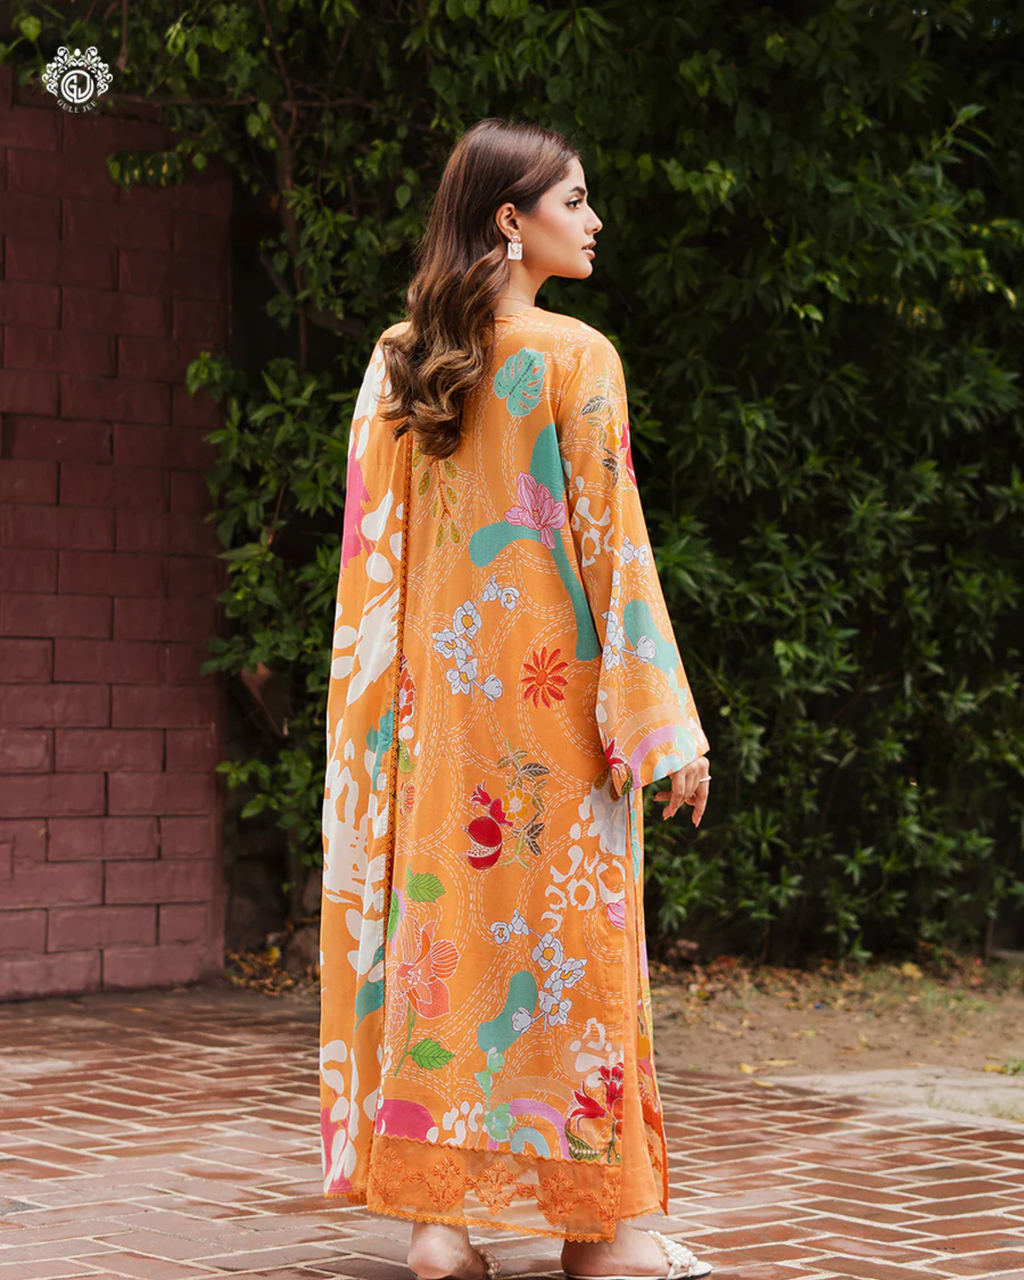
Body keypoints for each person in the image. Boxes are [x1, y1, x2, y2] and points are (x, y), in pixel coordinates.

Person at [319, 118, 712, 1280]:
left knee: (445, 957)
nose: (592, 222)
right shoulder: (576, 356)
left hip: (436, 728)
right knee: (573, 959)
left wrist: (375, 741)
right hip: (560, 725)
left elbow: (369, 560)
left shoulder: (400, 358)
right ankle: (599, 1236)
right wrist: (663, 727)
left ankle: (439, 1227)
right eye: (574, 201)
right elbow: (615, 550)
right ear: (511, 217)